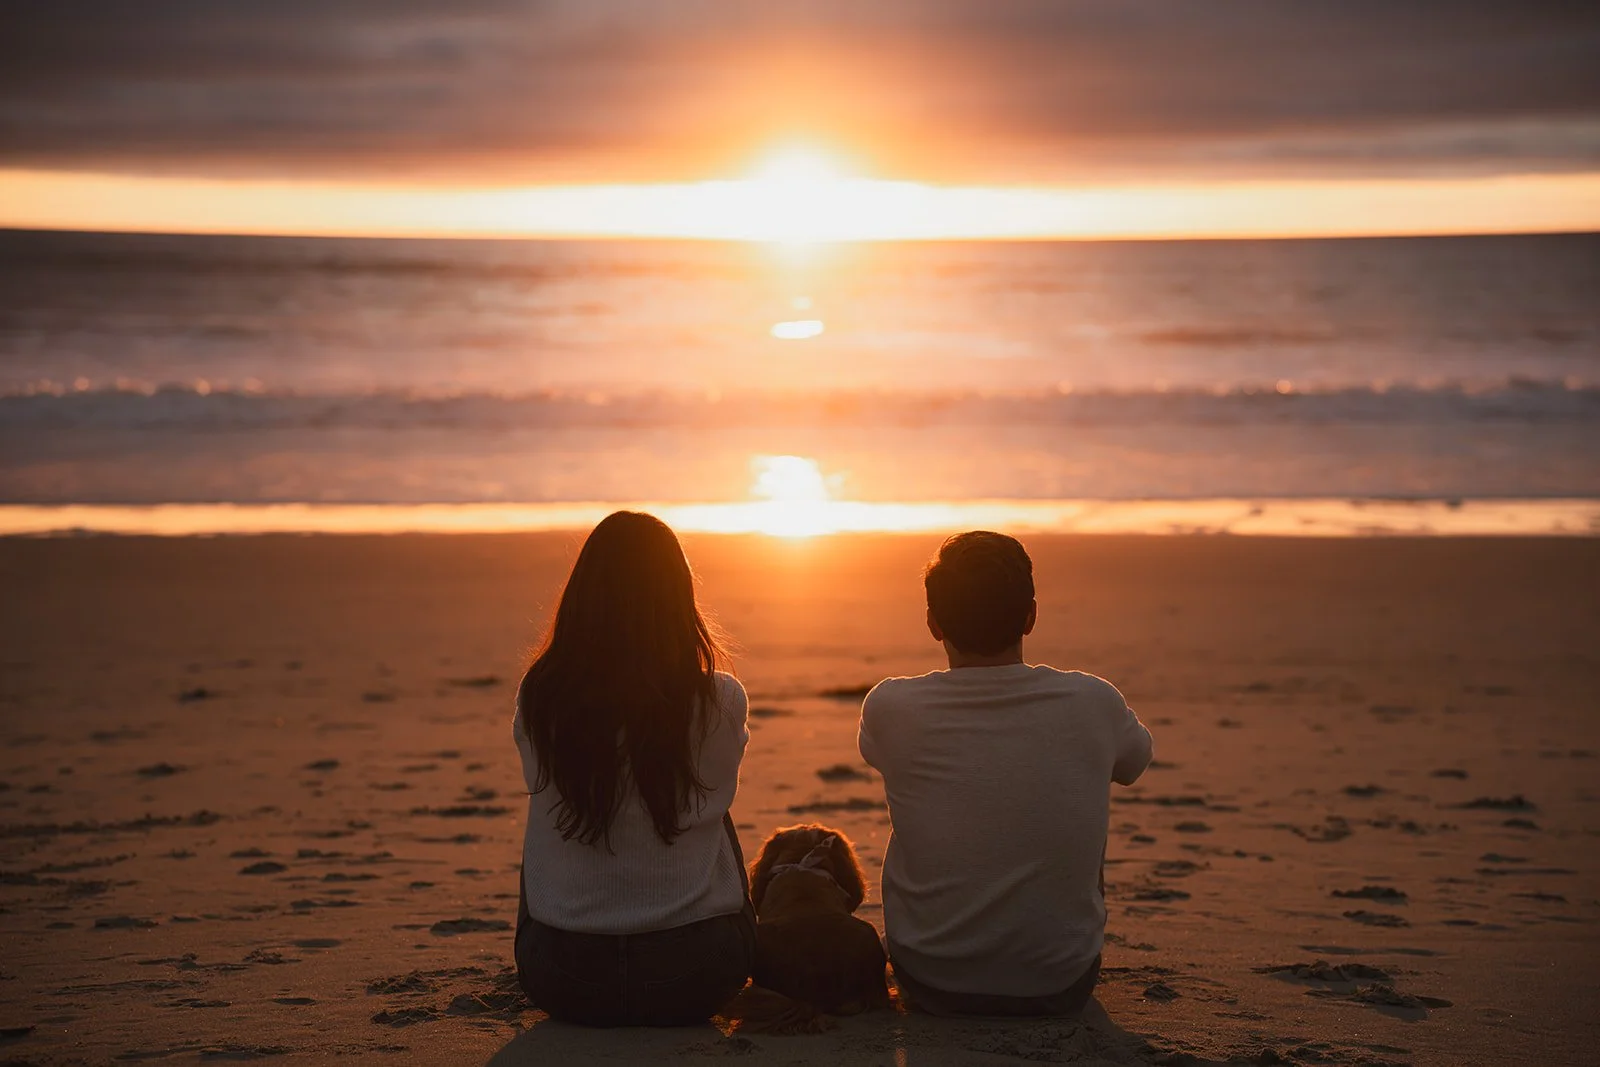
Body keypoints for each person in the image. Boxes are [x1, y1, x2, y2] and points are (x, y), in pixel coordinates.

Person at [857, 530, 1154, 1017]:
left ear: (933, 623)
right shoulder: (1094, 700)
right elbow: (1134, 764)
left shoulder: (891, 706)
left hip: (930, 978)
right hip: (1060, 981)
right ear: (1031, 616)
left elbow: (879, 756)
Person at [512, 511, 755, 1026]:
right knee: (710, 804)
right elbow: (720, 776)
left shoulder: (541, 695)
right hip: (697, 974)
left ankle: (584, 921)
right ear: (678, 600)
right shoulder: (720, 698)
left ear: (582, 599)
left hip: (560, 977)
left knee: (559, 799)